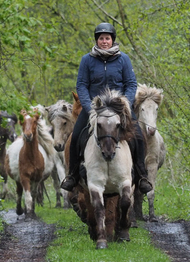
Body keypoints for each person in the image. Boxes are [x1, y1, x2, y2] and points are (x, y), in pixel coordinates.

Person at [61, 23, 153, 194]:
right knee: (75, 138)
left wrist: (124, 103)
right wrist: (89, 108)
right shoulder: (87, 60)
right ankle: (72, 176)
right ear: (97, 40)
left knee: (139, 136)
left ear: (112, 40)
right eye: (101, 38)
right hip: (94, 109)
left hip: (119, 108)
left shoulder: (123, 59)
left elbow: (131, 83)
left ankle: (141, 176)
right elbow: (81, 85)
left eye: (107, 38)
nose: (104, 41)